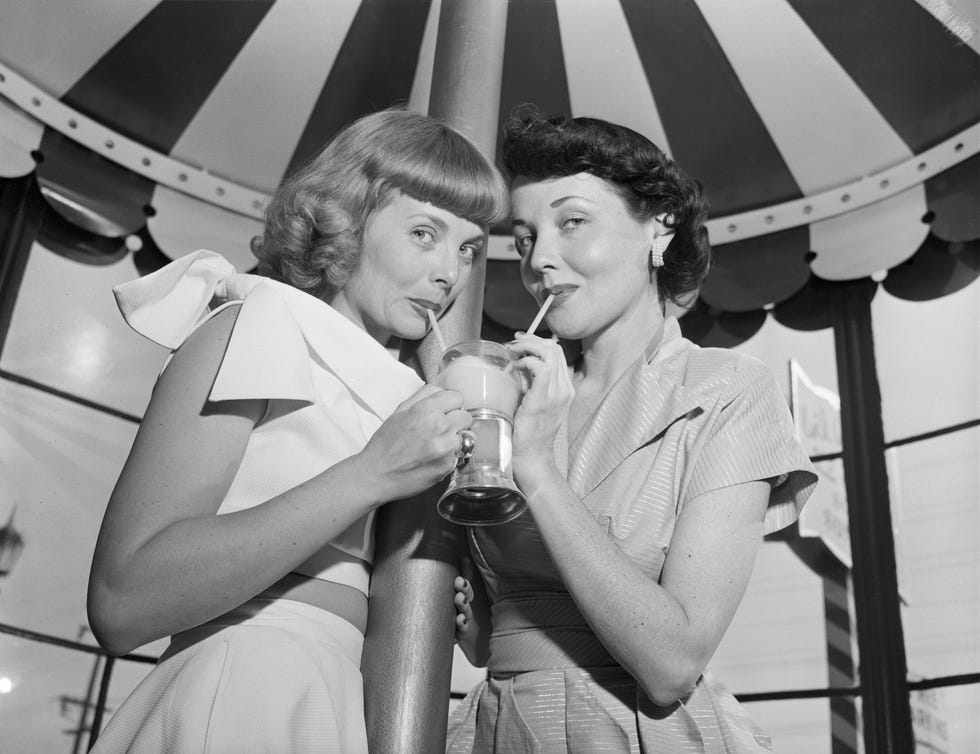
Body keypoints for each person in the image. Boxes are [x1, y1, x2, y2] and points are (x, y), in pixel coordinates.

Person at [86, 108, 508, 753]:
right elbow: (122, 601)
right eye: (425, 233)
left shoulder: (416, 392)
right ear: (347, 217)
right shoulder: (262, 321)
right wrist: (370, 474)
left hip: (341, 702)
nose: (450, 272)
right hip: (249, 683)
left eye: (469, 248)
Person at [449, 109, 817, 752]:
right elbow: (488, 640)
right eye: (526, 236)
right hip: (499, 727)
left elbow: (672, 664)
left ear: (660, 230)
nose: (542, 260)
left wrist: (533, 465)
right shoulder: (503, 395)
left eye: (573, 222)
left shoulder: (726, 390)